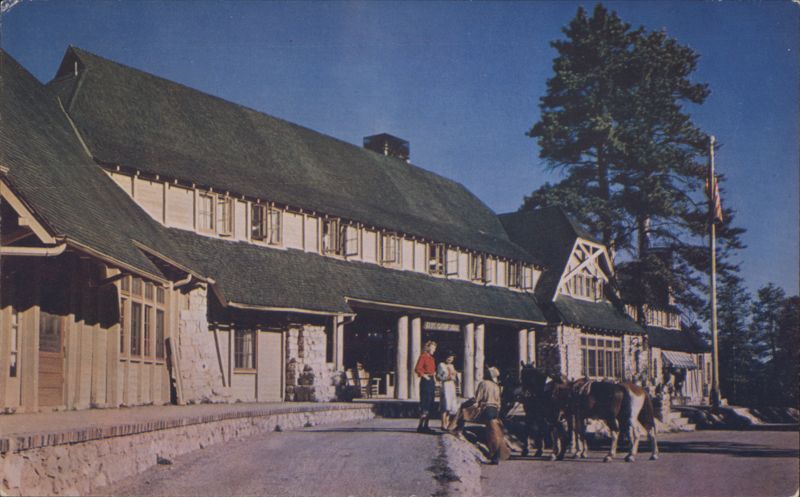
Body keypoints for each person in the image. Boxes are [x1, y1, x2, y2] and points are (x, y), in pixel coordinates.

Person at [448, 366, 509, 464]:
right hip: (494, 410)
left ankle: (458, 430)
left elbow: (477, 399)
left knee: (464, 411)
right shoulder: (496, 386)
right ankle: (495, 454)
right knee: (493, 432)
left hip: (486, 409)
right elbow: (498, 402)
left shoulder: (483, 383)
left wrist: (470, 404)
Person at [414, 340, 437, 433]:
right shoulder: (423, 356)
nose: (434, 350)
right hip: (426, 381)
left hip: (431, 381)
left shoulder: (432, 358)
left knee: (431, 403)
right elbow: (417, 368)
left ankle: (426, 426)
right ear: (428, 348)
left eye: (435, 348)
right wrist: (424, 376)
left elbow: (433, 370)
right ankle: (420, 426)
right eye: (433, 347)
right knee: (425, 403)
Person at [436, 351, 459, 430]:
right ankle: (443, 423)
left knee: (451, 405)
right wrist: (448, 378)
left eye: (451, 357)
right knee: (445, 404)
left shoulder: (452, 366)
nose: (450, 359)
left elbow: (454, 376)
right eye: (448, 357)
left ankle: (447, 422)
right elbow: (439, 376)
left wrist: (454, 377)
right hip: (445, 385)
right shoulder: (441, 365)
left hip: (451, 385)